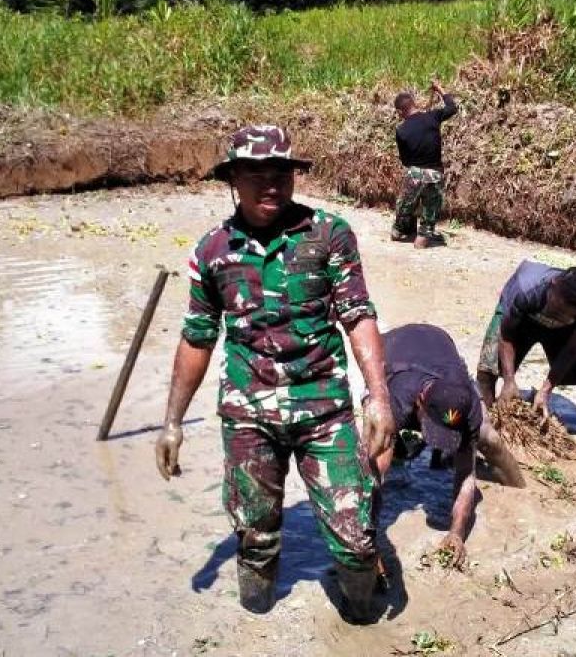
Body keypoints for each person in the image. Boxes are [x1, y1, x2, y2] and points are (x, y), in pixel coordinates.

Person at [153, 124, 396, 622]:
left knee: (355, 538)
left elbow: (358, 314)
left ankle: (362, 625)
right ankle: (255, 622)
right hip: (248, 413)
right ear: (233, 179)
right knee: (255, 533)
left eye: (281, 173)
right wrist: (172, 422)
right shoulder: (211, 252)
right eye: (256, 174)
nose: (271, 185)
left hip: (324, 408)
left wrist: (378, 396)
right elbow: (198, 336)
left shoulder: (329, 234)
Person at [372, 324, 525, 568]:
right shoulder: (400, 397)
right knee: (379, 438)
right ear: (420, 403)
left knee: (488, 437)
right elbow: (372, 471)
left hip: (440, 341)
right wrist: (368, 544)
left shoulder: (468, 404)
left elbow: (466, 476)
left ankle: (518, 484)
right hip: (391, 348)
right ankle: (400, 448)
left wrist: (456, 533)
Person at [476, 260, 576, 438]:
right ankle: (485, 434)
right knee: (487, 370)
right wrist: (509, 380)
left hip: (565, 332)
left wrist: (546, 390)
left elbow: (572, 349)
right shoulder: (525, 288)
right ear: (554, 285)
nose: (560, 316)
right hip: (522, 321)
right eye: (558, 308)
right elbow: (506, 335)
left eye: (569, 313)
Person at [391, 78, 458, 249]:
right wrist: (440, 89)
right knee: (430, 213)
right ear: (414, 104)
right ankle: (423, 237)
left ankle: (399, 230)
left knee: (405, 206)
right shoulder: (432, 117)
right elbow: (452, 107)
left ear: (400, 111)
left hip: (415, 174)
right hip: (435, 174)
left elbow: (405, 160)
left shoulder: (401, 130)